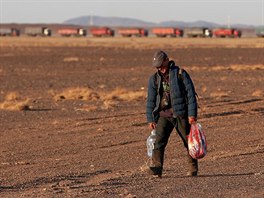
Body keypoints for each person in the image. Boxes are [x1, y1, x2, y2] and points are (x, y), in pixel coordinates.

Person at [146, 50, 198, 178]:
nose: (160, 69)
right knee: (159, 143)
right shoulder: (154, 79)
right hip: (164, 115)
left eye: (161, 66)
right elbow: (150, 100)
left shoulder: (180, 74)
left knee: (188, 142)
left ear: (167, 60)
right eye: (157, 67)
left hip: (180, 114)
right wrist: (150, 119)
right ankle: (157, 168)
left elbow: (191, 95)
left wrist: (192, 115)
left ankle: (193, 168)